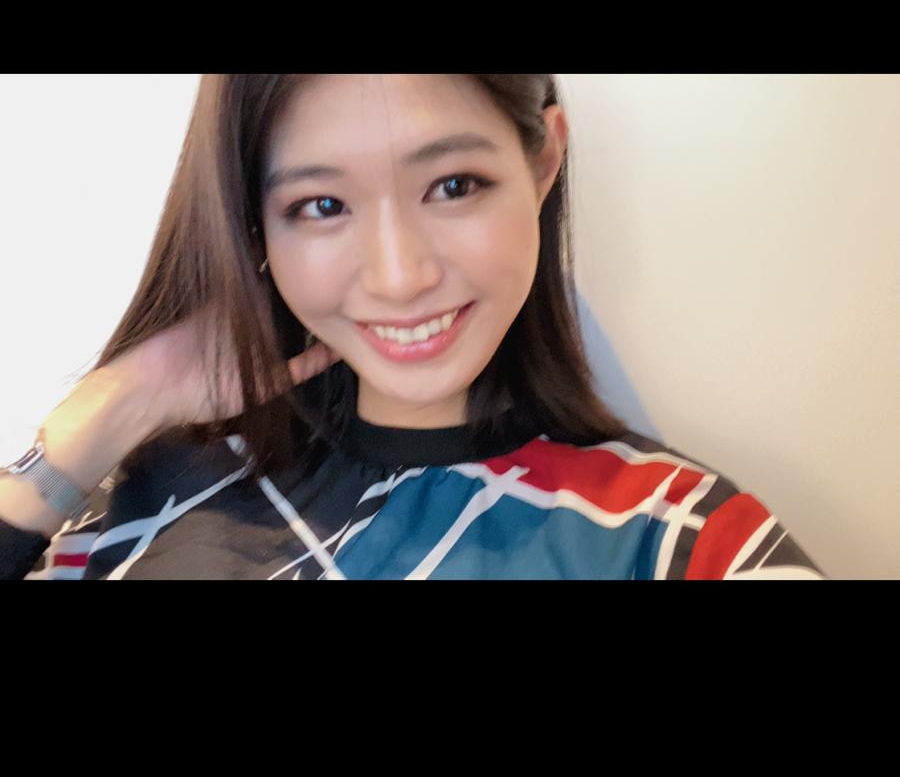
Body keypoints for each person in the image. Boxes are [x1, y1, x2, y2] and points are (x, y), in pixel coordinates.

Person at [0, 74, 828, 580]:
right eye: (322, 205)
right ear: (255, 223)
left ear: (543, 162)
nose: (400, 277)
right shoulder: (147, 489)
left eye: (454, 185)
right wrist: (109, 414)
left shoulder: (677, 538)